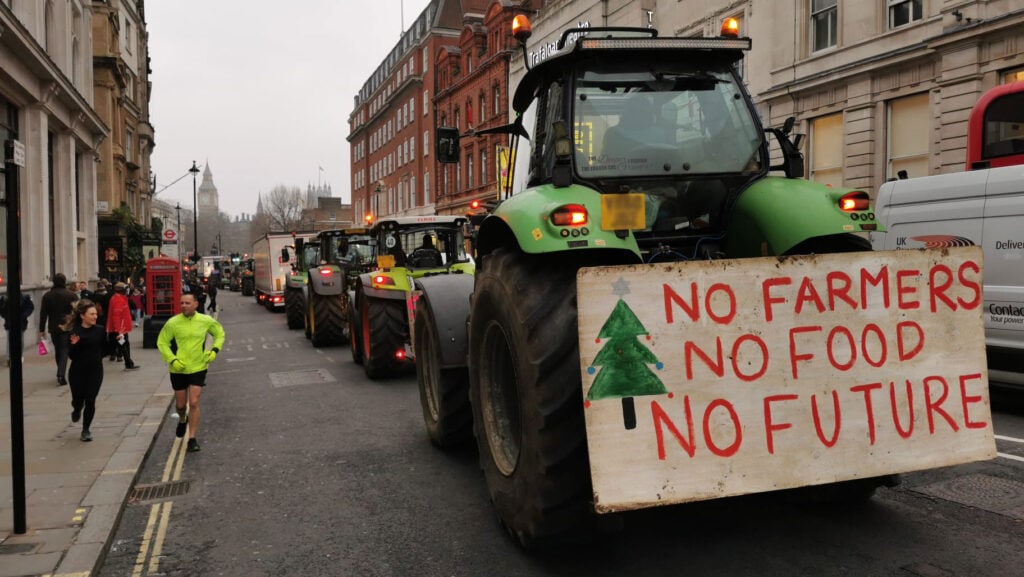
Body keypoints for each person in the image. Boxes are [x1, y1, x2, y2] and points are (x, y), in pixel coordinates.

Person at [157, 291, 225, 453]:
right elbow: (162, 342)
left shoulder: (205, 320)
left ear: (195, 304)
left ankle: (192, 439)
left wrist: (214, 351)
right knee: (181, 405)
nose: (184, 306)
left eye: (187, 303)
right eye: (181, 303)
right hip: (178, 369)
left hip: (198, 366)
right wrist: (172, 360)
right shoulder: (173, 322)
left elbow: (220, 334)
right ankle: (182, 418)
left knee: (194, 402)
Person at [64, 299, 106, 442]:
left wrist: (118, 340)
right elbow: (71, 355)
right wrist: (75, 344)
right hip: (78, 371)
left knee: (91, 400)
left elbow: (106, 350)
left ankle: (86, 429)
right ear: (82, 316)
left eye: (96, 314)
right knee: (78, 399)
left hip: (95, 370)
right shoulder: (75, 332)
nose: (95, 317)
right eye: (91, 314)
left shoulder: (100, 330)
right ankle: (77, 408)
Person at [38, 273, 79, 386]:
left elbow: (43, 314)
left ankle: (60, 371)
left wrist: (41, 329)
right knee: (64, 349)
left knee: (58, 349)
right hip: (67, 325)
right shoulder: (71, 295)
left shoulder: (47, 296)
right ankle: (61, 373)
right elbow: (77, 311)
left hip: (54, 327)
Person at [106, 282, 140, 370]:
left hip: (121, 329)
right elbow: (116, 316)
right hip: (120, 329)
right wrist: (119, 331)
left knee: (123, 345)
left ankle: (129, 363)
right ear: (122, 290)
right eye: (126, 289)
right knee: (123, 345)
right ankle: (129, 364)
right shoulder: (118, 300)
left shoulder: (119, 298)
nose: (127, 291)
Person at [1, 292, 34, 366]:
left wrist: (24, 315)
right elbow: (2, 309)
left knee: (20, 339)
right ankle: (9, 357)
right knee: (10, 340)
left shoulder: (25, 297)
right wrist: (6, 316)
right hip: (10, 322)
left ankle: (19, 355)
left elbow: (30, 307)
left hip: (20, 322)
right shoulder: (5, 298)